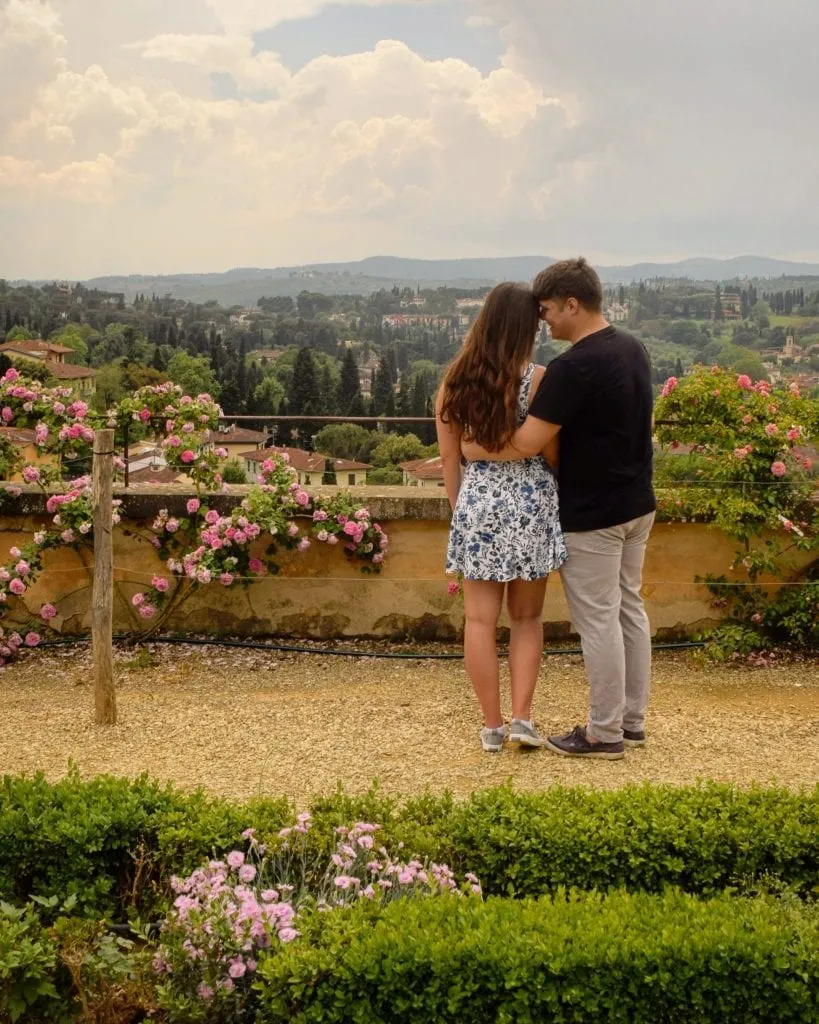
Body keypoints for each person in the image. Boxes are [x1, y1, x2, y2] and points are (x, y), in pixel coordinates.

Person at [462, 258, 655, 760]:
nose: (543, 321)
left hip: (594, 512)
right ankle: (631, 722)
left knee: (599, 621)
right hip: (638, 504)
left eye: (547, 310)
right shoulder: (632, 348)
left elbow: (527, 442)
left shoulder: (574, 367)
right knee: (630, 611)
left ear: (572, 304)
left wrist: (473, 450)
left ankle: (604, 732)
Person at [436, 282, 567, 753]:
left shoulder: (455, 381)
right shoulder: (538, 379)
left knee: (478, 621)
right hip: (531, 504)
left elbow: (450, 460)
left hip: (478, 505)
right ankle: (522, 720)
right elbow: (552, 454)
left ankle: (490, 727)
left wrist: (461, 515)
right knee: (527, 618)